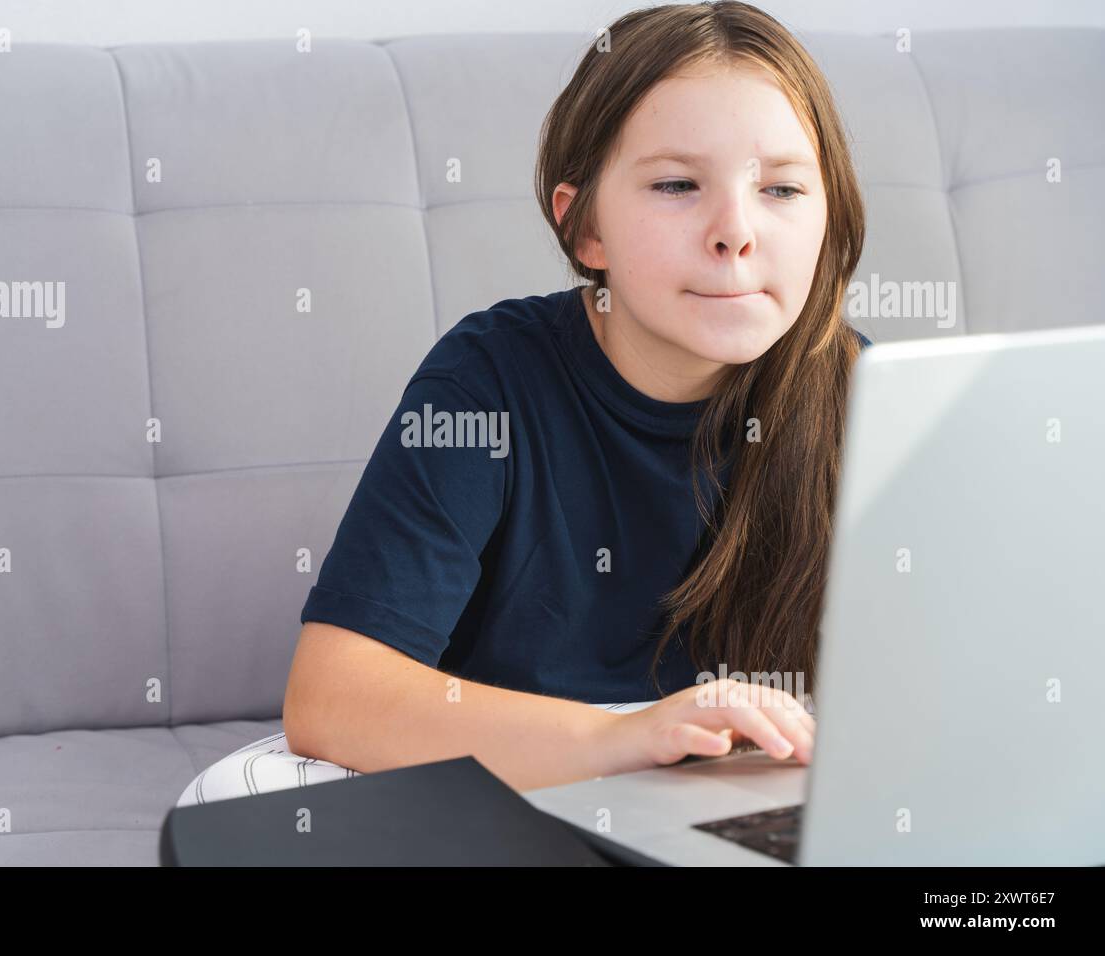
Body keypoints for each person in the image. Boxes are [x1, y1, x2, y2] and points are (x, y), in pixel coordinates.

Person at [177, 0, 871, 809]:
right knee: (232, 803)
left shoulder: (867, 395)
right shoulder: (487, 381)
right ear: (584, 230)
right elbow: (332, 699)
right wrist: (624, 740)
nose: (735, 233)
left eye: (783, 189)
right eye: (678, 185)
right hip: (526, 780)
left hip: (756, 800)